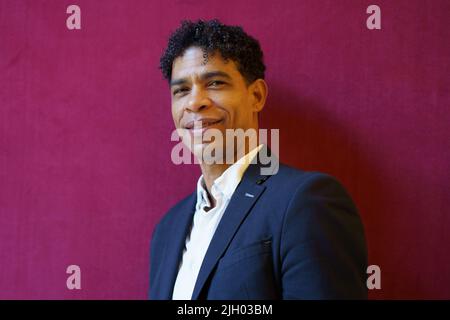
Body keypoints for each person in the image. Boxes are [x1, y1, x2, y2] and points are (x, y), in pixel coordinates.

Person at [149, 19, 367, 300]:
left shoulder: (306, 201)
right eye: (181, 90)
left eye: (214, 83)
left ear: (257, 95)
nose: (194, 102)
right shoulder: (167, 230)